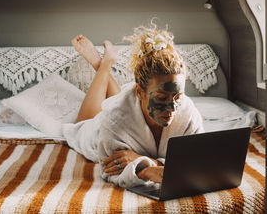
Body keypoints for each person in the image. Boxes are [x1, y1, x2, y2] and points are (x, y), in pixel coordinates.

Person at [62, 23, 204, 188]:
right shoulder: (114, 119)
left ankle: (104, 65)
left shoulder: (189, 113)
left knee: (120, 101)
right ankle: (103, 65)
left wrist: (145, 164)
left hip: (127, 109)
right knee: (83, 124)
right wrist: (148, 170)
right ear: (140, 92)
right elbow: (110, 172)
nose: (172, 108)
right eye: (161, 97)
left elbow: (196, 163)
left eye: (178, 96)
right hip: (97, 130)